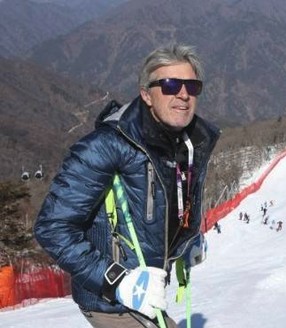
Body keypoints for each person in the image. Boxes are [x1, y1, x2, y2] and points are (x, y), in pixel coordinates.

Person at [34, 44, 220, 328]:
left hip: (145, 295)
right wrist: (117, 281)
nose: (183, 94)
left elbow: (166, 204)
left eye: (192, 86)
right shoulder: (105, 147)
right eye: (170, 85)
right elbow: (52, 228)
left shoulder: (187, 143)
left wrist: (186, 239)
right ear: (146, 94)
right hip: (111, 301)